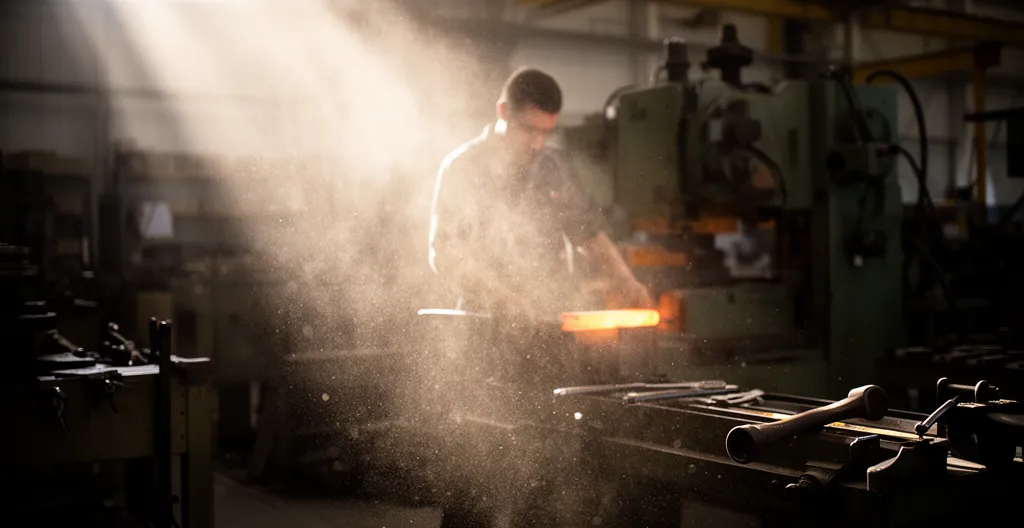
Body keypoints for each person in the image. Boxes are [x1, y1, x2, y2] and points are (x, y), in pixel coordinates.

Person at [428, 67, 654, 320]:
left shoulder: (553, 167)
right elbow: (445, 255)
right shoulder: (463, 168)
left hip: (550, 318)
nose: (537, 143)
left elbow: (588, 234)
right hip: (484, 321)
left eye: (546, 132)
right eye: (528, 129)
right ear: (503, 111)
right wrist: (502, 300)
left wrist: (626, 282)